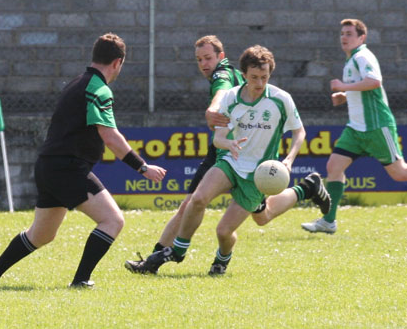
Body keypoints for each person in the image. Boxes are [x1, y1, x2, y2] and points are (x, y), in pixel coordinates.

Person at [0, 33, 166, 288]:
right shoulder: (99, 90)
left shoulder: (77, 82)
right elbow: (110, 136)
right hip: (67, 168)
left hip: (48, 166)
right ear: (118, 62)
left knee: (41, 235)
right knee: (113, 221)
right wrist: (142, 167)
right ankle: (80, 281)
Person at [125, 45, 331, 276]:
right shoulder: (232, 98)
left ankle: (221, 261)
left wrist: (289, 160)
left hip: (258, 175)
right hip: (230, 161)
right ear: (243, 75)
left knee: (224, 231)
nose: (260, 83)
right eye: (254, 77)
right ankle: (178, 251)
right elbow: (218, 138)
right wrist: (228, 144)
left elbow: (299, 132)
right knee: (198, 199)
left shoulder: (281, 100)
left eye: (264, 77)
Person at [126, 35, 245, 264]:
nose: (203, 64)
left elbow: (222, 91)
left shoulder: (222, 73)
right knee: (189, 205)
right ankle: (154, 258)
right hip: (225, 149)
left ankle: (305, 190)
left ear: (221, 57)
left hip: (234, 151)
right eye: (199, 59)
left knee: (262, 214)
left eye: (208, 58)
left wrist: (212, 109)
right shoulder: (234, 73)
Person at [302, 18, 407, 234]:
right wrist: (345, 95)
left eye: (349, 34)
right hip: (356, 129)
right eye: (342, 33)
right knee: (334, 167)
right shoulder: (351, 61)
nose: (344, 37)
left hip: (376, 126)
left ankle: (328, 221)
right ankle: (328, 221)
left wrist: (343, 86)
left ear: (362, 38)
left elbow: (374, 81)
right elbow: (364, 88)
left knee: (399, 174)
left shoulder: (362, 56)